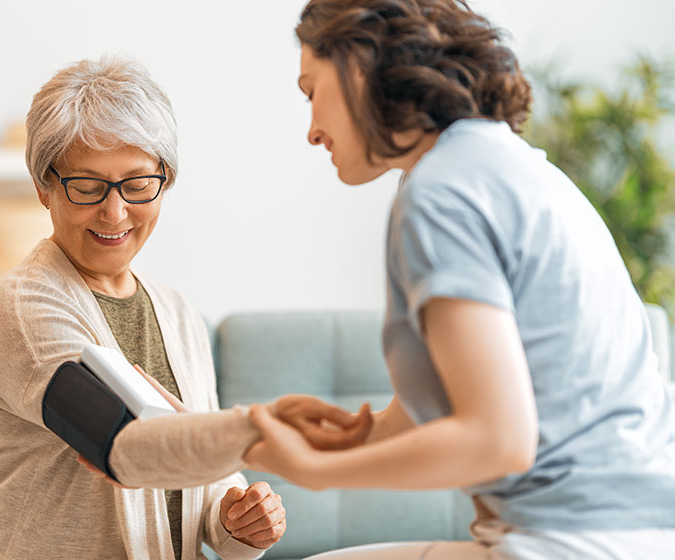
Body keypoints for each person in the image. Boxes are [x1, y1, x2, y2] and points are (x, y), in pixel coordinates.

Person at [243, 1, 675, 558]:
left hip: (570, 544)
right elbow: (459, 408)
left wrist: (318, 468)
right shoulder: (503, 166)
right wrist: (352, 432)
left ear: (358, 65)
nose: (310, 130)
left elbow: (498, 440)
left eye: (310, 91)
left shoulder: (440, 194)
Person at [0, 55, 287, 560]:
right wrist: (275, 429)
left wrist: (235, 519)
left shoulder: (178, 311)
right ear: (43, 185)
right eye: (87, 186)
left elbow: (196, 469)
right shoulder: (22, 311)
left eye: (137, 183)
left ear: (165, 179)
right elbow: (129, 447)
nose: (115, 211)